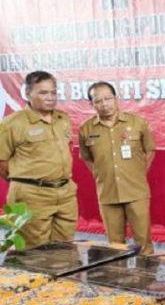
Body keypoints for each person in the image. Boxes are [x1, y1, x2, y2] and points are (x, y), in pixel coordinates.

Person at [0, 71, 77, 247]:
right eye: (43, 92)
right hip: (31, 195)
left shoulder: (63, 119)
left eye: (53, 92)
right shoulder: (12, 123)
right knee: (33, 251)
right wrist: (25, 183)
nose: (50, 97)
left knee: (64, 248)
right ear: (28, 94)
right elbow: (1, 161)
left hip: (65, 194)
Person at [78, 81, 156, 254]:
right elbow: (87, 158)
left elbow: (150, 150)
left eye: (108, 99)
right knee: (115, 244)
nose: (104, 104)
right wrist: (102, 174)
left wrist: (138, 173)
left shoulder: (137, 123)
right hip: (108, 193)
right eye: (98, 101)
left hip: (136, 191)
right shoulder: (86, 129)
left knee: (143, 242)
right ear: (91, 104)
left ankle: (146, 271)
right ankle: (119, 271)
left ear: (116, 98)